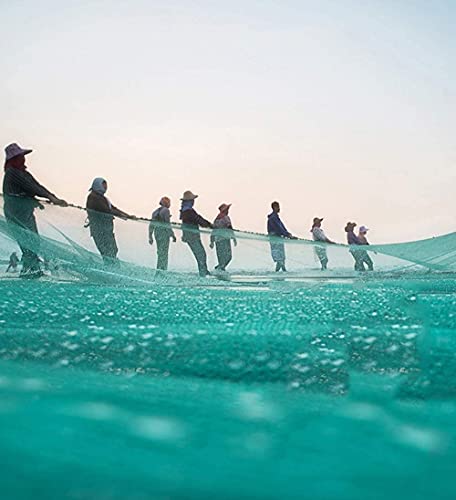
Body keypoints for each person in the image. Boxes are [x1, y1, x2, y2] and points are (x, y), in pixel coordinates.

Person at [3, 143, 67, 278]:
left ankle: (31, 270)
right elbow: (32, 188)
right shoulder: (12, 173)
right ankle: (30, 271)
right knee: (28, 243)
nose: (23, 159)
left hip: (25, 213)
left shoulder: (22, 172)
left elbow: (36, 186)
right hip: (17, 214)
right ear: (14, 159)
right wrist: (52, 198)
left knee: (32, 242)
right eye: (20, 156)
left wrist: (49, 198)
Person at [86, 177, 132, 263]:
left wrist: (127, 215)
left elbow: (113, 208)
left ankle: (112, 266)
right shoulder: (93, 197)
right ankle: (111, 267)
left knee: (112, 250)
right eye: (103, 185)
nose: (105, 187)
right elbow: (106, 210)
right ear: (97, 185)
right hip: (100, 231)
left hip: (107, 230)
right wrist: (122, 215)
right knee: (107, 252)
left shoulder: (103, 198)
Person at [180, 190, 213, 277]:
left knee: (201, 254)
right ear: (189, 201)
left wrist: (208, 224)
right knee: (201, 254)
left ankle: (204, 271)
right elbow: (198, 219)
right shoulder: (188, 211)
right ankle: (203, 273)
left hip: (191, 236)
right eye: (192, 200)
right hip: (192, 236)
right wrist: (209, 225)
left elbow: (198, 218)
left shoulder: (186, 210)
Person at [267, 201, 297, 272]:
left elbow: (282, 228)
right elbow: (279, 228)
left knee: (281, 258)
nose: (279, 208)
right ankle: (282, 272)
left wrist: (288, 234)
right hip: (276, 239)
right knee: (280, 258)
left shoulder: (275, 217)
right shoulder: (273, 217)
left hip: (277, 239)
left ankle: (282, 271)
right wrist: (288, 235)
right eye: (278, 207)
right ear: (274, 207)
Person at [148, 197, 176, 271]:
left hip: (157, 233)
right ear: (167, 203)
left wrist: (150, 236)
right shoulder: (166, 211)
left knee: (160, 253)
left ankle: (159, 270)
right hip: (163, 234)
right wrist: (172, 235)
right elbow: (167, 224)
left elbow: (151, 225)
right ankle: (163, 271)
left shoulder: (155, 212)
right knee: (164, 254)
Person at [210, 203, 237, 271]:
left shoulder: (216, 219)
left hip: (218, 241)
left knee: (221, 258)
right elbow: (229, 227)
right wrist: (233, 238)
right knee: (228, 257)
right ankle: (220, 269)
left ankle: (220, 269)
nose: (228, 211)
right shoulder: (226, 218)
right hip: (225, 240)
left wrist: (212, 241)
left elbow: (213, 231)